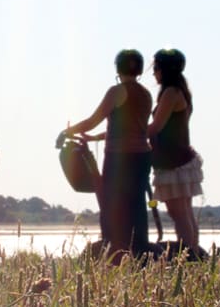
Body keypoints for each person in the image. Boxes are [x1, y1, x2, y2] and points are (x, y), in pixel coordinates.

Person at [60, 50, 152, 261]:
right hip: (142, 156)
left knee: (111, 205)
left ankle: (115, 250)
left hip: (120, 158)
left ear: (118, 68)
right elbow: (133, 127)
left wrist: (66, 132)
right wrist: (93, 139)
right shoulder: (145, 94)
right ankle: (140, 251)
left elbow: (93, 120)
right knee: (137, 205)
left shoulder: (117, 91)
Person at [147, 48, 204, 252]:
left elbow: (156, 127)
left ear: (164, 69)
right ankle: (193, 251)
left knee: (179, 213)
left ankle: (189, 253)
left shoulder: (171, 93)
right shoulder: (180, 91)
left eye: (155, 68)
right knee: (184, 212)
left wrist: (124, 133)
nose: (154, 73)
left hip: (174, 162)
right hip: (178, 158)